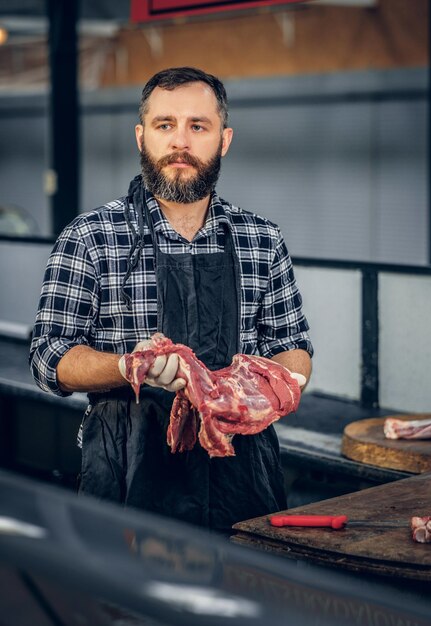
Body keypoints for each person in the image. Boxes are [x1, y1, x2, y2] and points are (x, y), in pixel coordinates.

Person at [30, 67, 313, 532]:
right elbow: (48, 358)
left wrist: (257, 390)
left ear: (224, 140)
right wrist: (127, 366)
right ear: (141, 137)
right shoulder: (91, 237)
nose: (180, 142)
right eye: (165, 125)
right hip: (127, 468)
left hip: (242, 469)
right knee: (124, 604)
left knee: (247, 598)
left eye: (197, 126)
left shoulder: (261, 239)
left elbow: (294, 346)